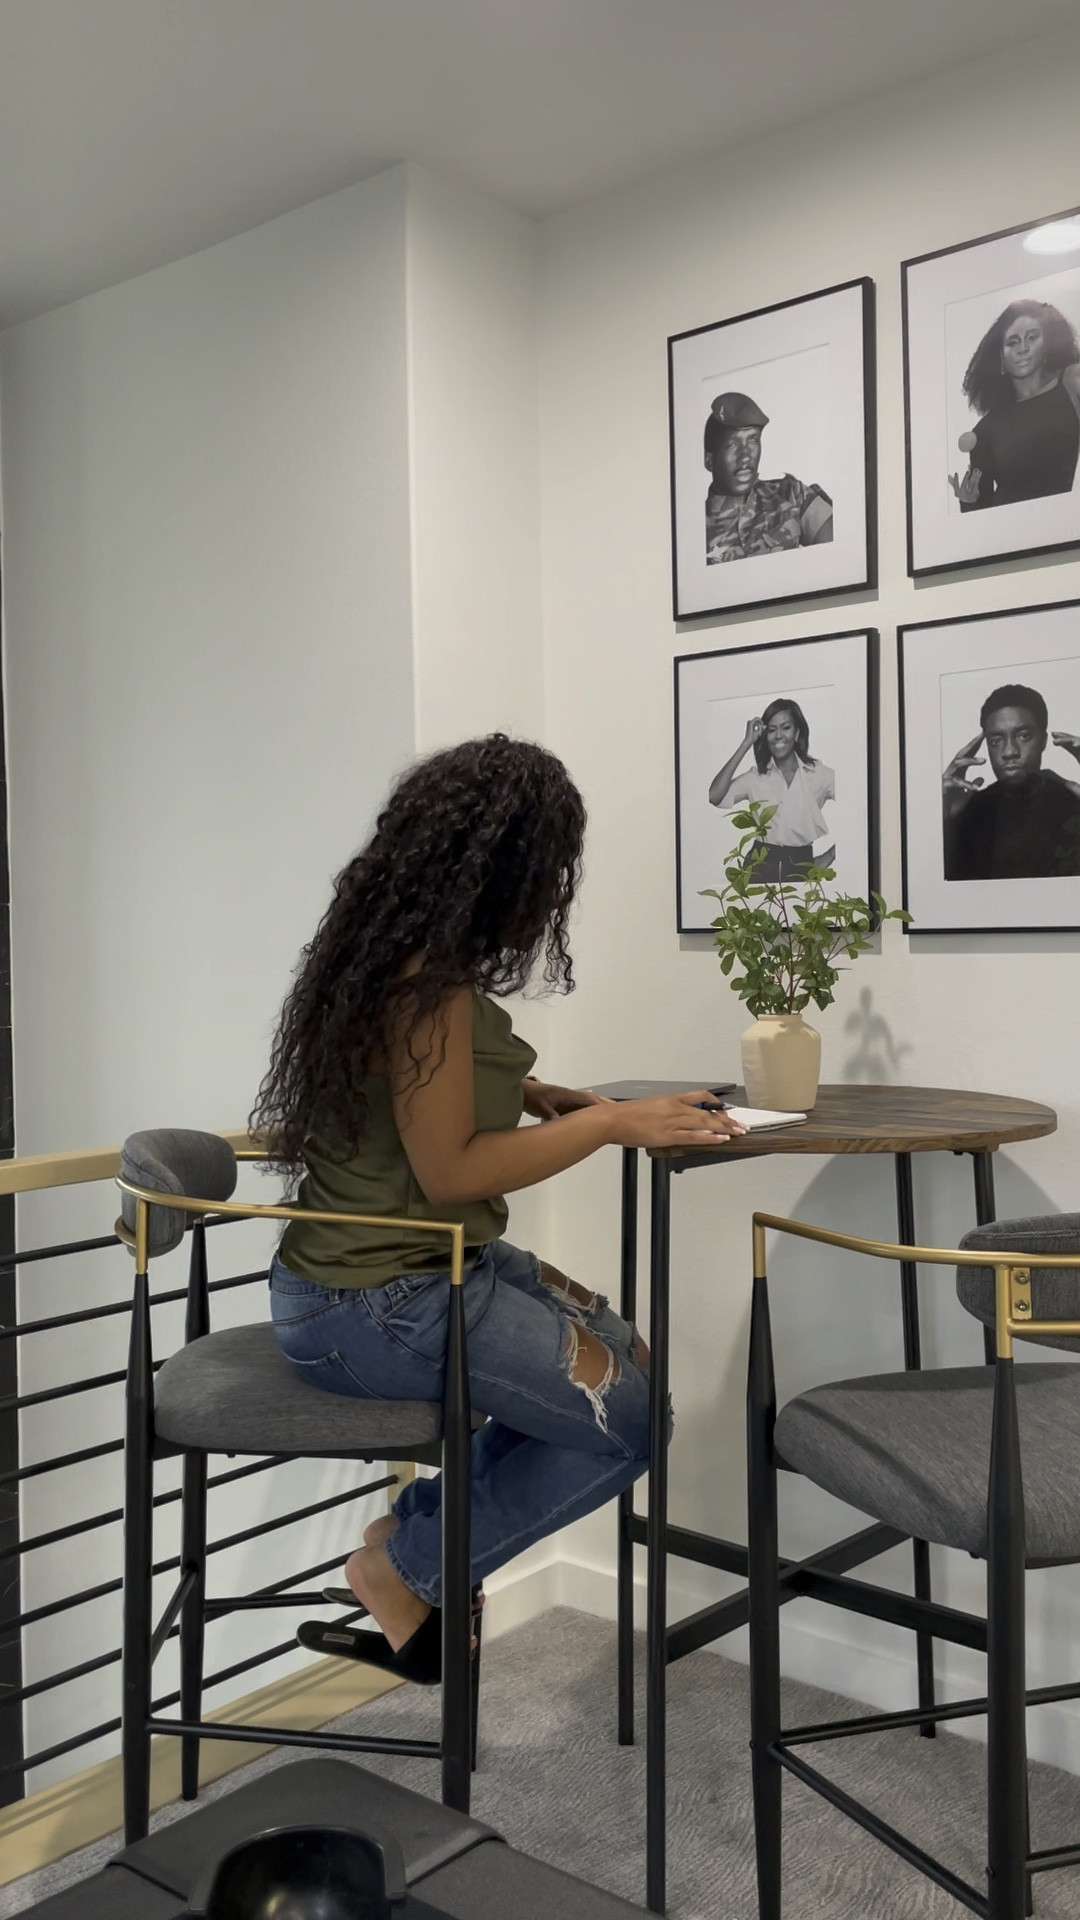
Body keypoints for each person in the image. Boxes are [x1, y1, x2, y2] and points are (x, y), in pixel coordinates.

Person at [251, 733, 745, 1682]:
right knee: (630, 1420)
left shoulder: (397, 959)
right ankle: (403, 1569)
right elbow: (451, 1171)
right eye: (549, 867)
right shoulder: (425, 990)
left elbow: (417, 1094)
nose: (552, 890)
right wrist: (615, 1126)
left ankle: (416, 1529)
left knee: (624, 1358)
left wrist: (541, 1094)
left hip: (400, 1273)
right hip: (374, 1303)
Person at [948, 300, 1080, 511]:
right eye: (1013, 342)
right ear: (1000, 355)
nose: (1023, 348)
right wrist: (968, 500)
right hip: (1013, 534)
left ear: (1046, 345)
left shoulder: (1071, 381)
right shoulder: (985, 430)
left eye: (1032, 338)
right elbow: (980, 514)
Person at [942, 683, 1080, 880]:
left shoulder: (1073, 801)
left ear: (1043, 740)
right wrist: (943, 823)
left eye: (1024, 736)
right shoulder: (967, 812)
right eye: (996, 740)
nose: (1009, 752)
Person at [708, 697, 836, 881]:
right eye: (772, 730)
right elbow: (714, 796)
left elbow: (861, 801)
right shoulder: (755, 777)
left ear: (797, 733)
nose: (778, 736)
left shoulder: (819, 774)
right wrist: (746, 743)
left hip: (802, 866)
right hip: (759, 867)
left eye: (786, 728)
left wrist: (830, 856)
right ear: (765, 735)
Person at [703, 391, 833, 564]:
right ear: (709, 461)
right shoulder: (693, 531)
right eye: (732, 445)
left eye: (752, 440)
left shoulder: (792, 494)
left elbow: (840, 555)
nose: (746, 456)